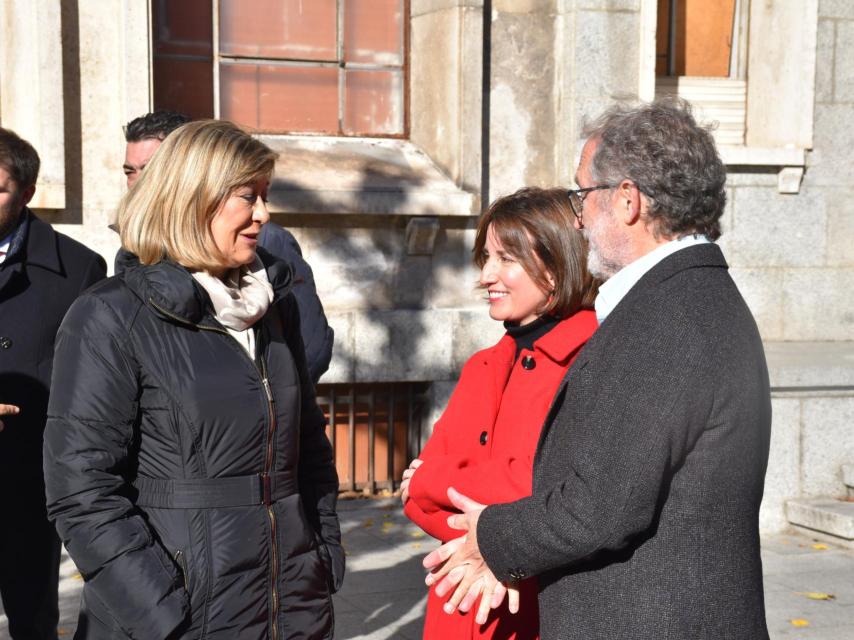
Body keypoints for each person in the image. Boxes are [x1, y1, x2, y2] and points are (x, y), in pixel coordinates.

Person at [422, 100, 772, 640]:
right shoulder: (692, 295)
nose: (578, 216)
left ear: (628, 200)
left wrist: (492, 535)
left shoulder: (666, 317)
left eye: (582, 194)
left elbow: (601, 505)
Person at [44, 120, 343, 639]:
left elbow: (308, 446)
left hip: (291, 605)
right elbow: (81, 487)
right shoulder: (110, 315)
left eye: (265, 196)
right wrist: (158, 611)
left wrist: (323, 554)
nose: (263, 214)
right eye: (247, 197)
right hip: (177, 617)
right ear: (193, 197)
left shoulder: (275, 308)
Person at [402, 187, 599, 639]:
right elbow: (413, 499)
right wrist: (481, 538)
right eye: (486, 257)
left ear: (556, 266)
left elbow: (554, 491)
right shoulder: (483, 365)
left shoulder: (592, 361)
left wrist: (436, 481)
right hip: (458, 603)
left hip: (534, 610)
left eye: (506, 258)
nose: (486, 275)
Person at [121, 110, 333, 383]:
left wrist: (252, 395)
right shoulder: (121, 280)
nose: (140, 181)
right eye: (130, 171)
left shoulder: (265, 246)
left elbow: (310, 352)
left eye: (151, 168)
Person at [0, 127, 106, 639]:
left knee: (33, 618)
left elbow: (91, 382)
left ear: (26, 193)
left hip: (29, 478)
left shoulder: (79, 269)